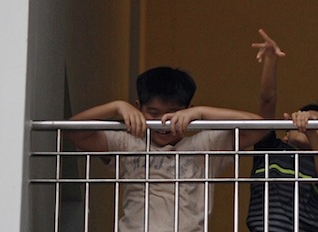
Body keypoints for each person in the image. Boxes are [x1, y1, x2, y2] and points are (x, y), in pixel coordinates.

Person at [67, 65, 265, 232]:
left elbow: (258, 128)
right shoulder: (126, 144)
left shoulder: (204, 146)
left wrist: (201, 113)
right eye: (153, 113)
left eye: (173, 114)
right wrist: (116, 107)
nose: (162, 122)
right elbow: (73, 133)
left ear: (188, 111)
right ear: (138, 109)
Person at [246, 29, 318, 232]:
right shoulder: (270, 148)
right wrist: (271, 61)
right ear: (286, 132)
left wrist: (311, 135)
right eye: (306, 117)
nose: (308, 123)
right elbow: (267, 100)